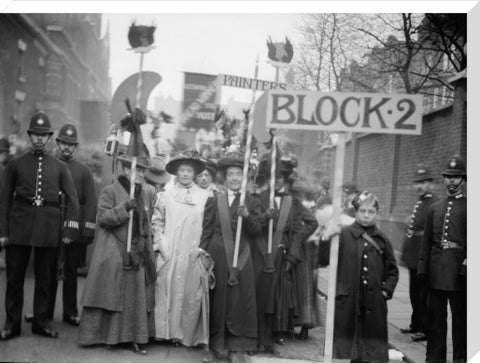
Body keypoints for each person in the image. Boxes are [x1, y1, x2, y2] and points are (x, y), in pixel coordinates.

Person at [0, 111, 79, 340]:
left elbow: (73, 200)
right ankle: (11, 324)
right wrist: (3, 233)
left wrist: (68, 231)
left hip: (48, 230)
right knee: (14, 279)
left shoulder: (59, 167)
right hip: (20, 228)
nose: (39, 139)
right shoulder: (15, 165)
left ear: (49, 137)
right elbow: (4, 201)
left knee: (45, 280)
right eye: (36, 134)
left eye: (44, 135)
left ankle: (41, 322)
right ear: (30, 135)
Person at [78, 155, 157, 355]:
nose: (140, 173)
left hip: (138, 254)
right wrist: (124, 208)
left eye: (142, 170)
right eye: (136, 169)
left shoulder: (146, 193)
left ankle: (134, 338)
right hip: (114, 251)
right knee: (112, 295)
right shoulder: (110, 190)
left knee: (134, 297)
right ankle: (108, 337)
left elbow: (147, 223)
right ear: (125, 169)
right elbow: (102, 218)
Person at [24, 124, 97, 326]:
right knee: (47, 271)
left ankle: (70, 312)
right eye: (63, 143)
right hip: (51, 224)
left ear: (76, 147)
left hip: (73, 225)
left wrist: (86, 229)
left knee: (71, 271)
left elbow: (91, 202)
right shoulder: (49, 166)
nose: (66, 148)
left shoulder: (84, 171)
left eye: (71, 144)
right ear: (57, 143)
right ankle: (43, 312)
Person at [319, 191, 399, 363]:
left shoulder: (382, 240)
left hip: (373, 303)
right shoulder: (343, 235)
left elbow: (393, 270)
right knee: (349, 349)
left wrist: (384, 292)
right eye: (363, 211)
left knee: (369, 351)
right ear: (356, 212)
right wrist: (326, 236)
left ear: (377, 213)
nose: (366, 215)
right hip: (349, 301)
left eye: (371, 212)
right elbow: (323, 259)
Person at [199, 151, 263, 363]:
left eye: (239, 174)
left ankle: (237, 349)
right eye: (231, 174)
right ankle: (215, 347)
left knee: (239, 303)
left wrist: (247, 217)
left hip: (242, 259)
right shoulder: (214, 200)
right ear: (224, 178)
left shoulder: (252, 202)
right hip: (218, 256)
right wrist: (203, 255)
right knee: (217, 302)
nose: (235, 178)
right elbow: (206, 231)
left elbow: (256, 232)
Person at [253, 157, 318, 349]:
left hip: (283, 253)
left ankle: (277, 331)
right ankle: (260, 332)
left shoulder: (291, 202)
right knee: (263, 293)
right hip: (262, 251)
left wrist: (293, 253)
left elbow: (304, 227)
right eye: (274, 176)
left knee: (280, 294)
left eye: (280, 176)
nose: (277, 180)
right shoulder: (259, 199)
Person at [151, 151, 210, 345]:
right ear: (176, 172)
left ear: (195, 173)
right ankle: (164, 332)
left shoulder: (205, 196)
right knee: (167, 287)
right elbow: (157, 221)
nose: (185, 174)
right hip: (172, 248)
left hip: (193, 249)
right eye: (182, 170)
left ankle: (186, 335)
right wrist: (162, 243)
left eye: (189, 170)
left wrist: (203, 249)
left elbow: (208, 223)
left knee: (190, 292)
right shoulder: (166, 195)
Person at [418, 155, 466, 363]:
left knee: (460, 320)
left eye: (456, 178)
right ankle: (435, 358)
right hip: (436, 271)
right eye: (448, 177)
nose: (451, 182)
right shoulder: (434, 208)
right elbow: (426, 242)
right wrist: (423, 270)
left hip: (459, 273)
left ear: (463, 180)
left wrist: (466, 269)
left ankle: (461, 357)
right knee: (436, 319)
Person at [399, 164, 437, 342]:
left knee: (423, 294)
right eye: (418, 183)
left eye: (424, 182)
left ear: (431, 183)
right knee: (414, 292)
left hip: (423, 257)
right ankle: (415, 323)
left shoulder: (433, 204)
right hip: (414, 256)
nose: (420, 186)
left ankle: (425, 328)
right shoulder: (421, 202)